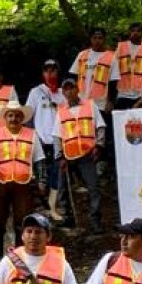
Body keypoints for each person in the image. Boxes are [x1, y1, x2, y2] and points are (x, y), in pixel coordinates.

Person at [0, 101, 46, 263]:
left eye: (17, 116)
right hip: (1, 182)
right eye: (10, 115)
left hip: (24, 184)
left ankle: (19, 256)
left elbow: (40, 160)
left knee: (22, 221)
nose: (13, 119)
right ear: (5, 118)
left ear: (22, 118)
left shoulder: (32, 135)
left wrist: (42, 180)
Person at [53, 78, 106, 234]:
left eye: (72, 88)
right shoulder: (61, 110)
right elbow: (57, 135)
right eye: (66, 89)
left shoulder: (90, 105)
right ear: (63, 93)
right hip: (67, 155)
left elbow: (100, 126)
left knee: (93, 188)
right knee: (63, 188)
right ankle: (67, 217)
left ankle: (95, 220)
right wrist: (59, 157)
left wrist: (99, 146)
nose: (69, 92)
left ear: (77, 89)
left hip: (87, 153)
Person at [25, 60, 65, 222]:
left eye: (53, 70)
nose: (50, 74)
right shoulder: (36, 92)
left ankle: (53, 207)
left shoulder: (64, 93)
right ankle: (39, 207)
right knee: (40, 174)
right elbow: (28, 115)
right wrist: (31, 136)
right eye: (46, 71)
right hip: (40, 139)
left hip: (58, 140)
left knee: (56, 174)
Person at [69, 27, 119, 117]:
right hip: (81, 101)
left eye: (100, 38)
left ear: (104, 39)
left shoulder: (112, 57)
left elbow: (113, 82)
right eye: (94, 38)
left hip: (101, 104)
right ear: (90, 39)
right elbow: (73, 77)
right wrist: (72, 97)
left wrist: (110, 102)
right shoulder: (82, 55)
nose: (97, 41)